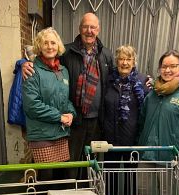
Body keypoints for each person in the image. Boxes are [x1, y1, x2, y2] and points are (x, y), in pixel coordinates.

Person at [22, 13, 114, 179]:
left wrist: (144, 81)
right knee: (68, 167)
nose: (89, 30)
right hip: (73, 122)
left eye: (93, 27)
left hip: (95, 122)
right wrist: (24, 64)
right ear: (79, 28)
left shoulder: (105, 55)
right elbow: (44, 61)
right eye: (85, 26)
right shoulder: (67, 52)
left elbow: (114, 80)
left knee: (91, 164)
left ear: (98, 30)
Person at [137, 49, 179, 195]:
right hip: (147, 157)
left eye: (173, 66)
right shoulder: (153, 94)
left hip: (172, 160)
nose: (168, 70)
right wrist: (141, 146)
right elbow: (142, 123)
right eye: (164, 66)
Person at [22, 27, 76, 181]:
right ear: (39, 46)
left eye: (53, 43)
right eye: (45, 43)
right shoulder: (32, 70)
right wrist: (59, 117)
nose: (50, 46)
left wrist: (71, 113)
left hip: (61, 133)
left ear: (58, 46)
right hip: (41, 135)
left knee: (59, 180)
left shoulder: (63, 71)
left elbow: (66, 99)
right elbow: (32, 106)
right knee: (46, 181)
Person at [103, 45, 150, 195]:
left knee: (132, 178)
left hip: (132, 141)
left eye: (128, 59)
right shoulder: (108, 81)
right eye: (121, 59)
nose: (124, 62)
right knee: (110, 178)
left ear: (134, 62)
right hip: (111, 140)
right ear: (116, 61)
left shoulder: (143, 82)